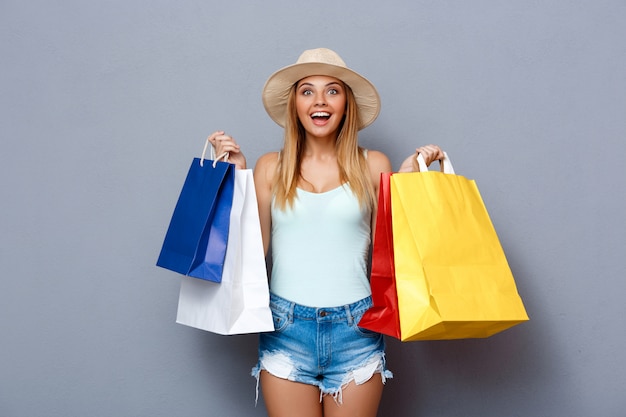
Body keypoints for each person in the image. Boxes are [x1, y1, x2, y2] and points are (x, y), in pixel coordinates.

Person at [208, 48, 444, 417]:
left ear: (347, 104)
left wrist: (409, 185)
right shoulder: (271, 167)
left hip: (357, 329)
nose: (320, 101)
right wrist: (236, 177)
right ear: (295, 104)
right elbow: (252, 255)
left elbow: (394, 251)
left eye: (332, 91)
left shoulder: (373, 165)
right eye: (307, 91)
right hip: (286, 328)